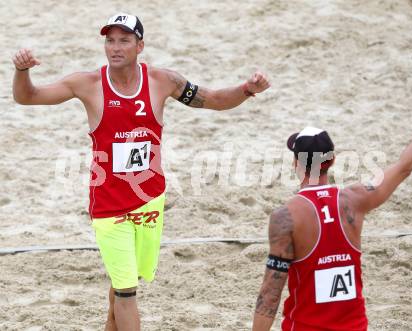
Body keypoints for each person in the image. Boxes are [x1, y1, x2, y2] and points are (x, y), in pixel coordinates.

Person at [12, 12, 270, 331]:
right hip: (109, 207)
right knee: (126, 292)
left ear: (140, 46)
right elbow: (28, 97)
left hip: (149, 201)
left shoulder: (164, 81)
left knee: (126, 281)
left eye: (124, 40)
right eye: (110, 40)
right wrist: (22, 71)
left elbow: (215, 100)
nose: (115, 47)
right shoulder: (88, 83)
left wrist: (247, 89)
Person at [251, 82, 412, 331]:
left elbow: (270, 293)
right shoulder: (355, 199)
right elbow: (403, 168)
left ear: (295, 162)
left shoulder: (286, 216)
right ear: (333, 161)